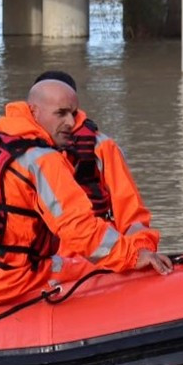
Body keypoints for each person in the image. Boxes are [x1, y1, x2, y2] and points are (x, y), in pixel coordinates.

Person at [0, 78, 173, 306]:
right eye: (61, 113)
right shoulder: (43, 160)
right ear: (34, 111)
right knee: (91, 264)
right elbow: (79, 229)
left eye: (74, 113)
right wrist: (134, 256)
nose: (70, 122)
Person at [31, 70, 158, 252]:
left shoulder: (102, 147)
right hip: (51, 256)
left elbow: (131, 214)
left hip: (89, 252)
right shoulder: (21, 150)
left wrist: (140, 252)